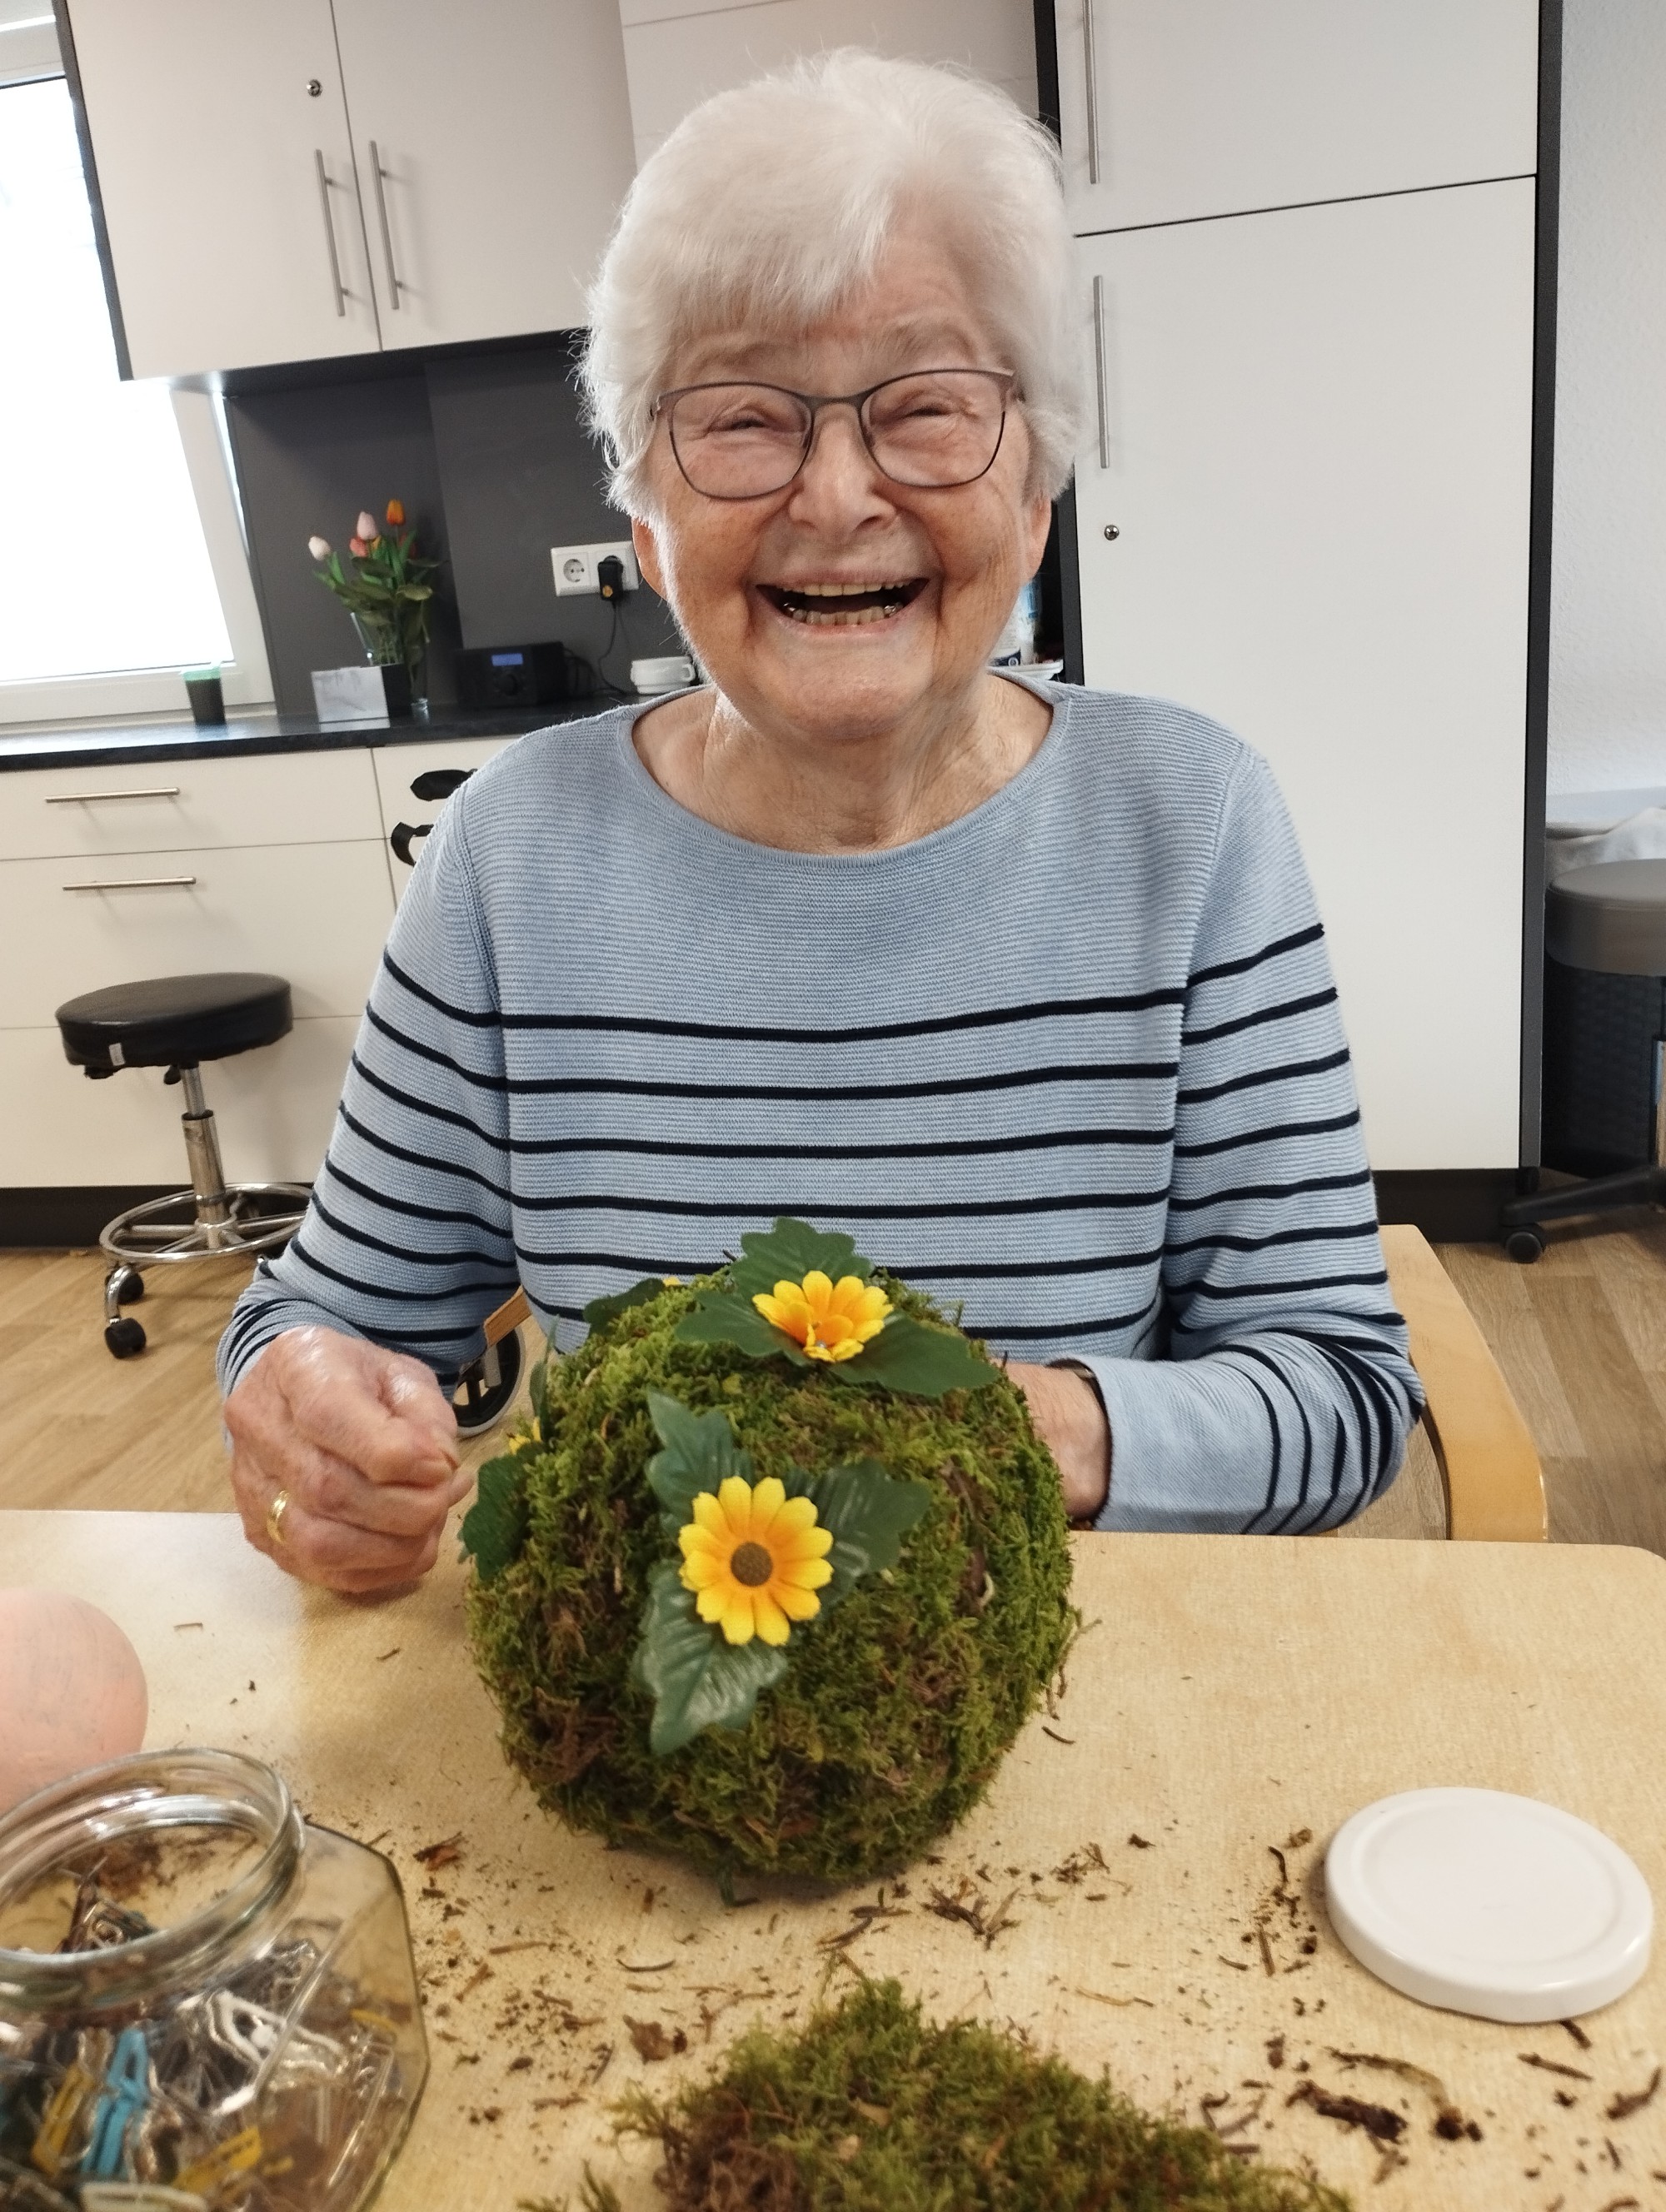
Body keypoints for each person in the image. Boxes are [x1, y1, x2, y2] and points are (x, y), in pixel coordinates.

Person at [219, 51, 1419, 1593]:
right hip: (655, 1693)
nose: (839, 496)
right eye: (743, 419)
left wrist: (1014, 1434)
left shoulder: (1191, 824)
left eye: (926, 408)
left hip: (1067, 1665)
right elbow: (321, 1316)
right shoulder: (510, 860)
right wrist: (307, 1412)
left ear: (1036, 495)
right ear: (647, 516)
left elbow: (1342, 1394)